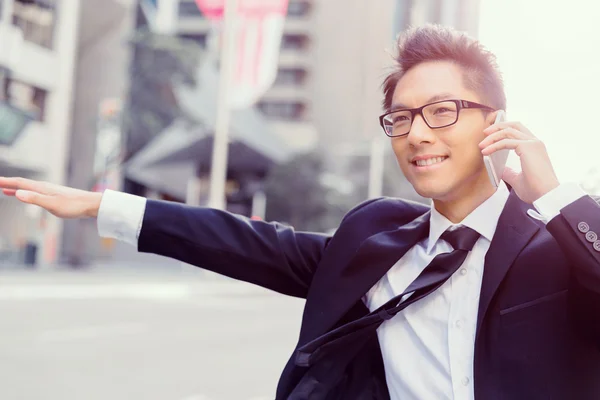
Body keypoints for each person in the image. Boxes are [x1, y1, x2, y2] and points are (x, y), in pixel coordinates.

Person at [1, 24, 599, 400]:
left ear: (496, 122)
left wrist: (554, 195)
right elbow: (242, 240)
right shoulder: (376, 239)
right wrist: (102, 205)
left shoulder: (559, 244)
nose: (418, 134)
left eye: (442, 111)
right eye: (401, 118)